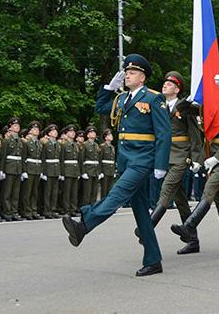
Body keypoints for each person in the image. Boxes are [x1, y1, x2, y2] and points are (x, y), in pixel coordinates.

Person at [62, 53, 171, 276]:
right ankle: (153, 260)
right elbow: (100, 106)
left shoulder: (153, 98)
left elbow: (164, 133)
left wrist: (160, 164)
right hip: (125, 159)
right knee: (141, 213)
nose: (127, 76)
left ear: (142, 77)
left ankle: (85, 224)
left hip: (143, 160)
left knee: (116, 195)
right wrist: (108, 88)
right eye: (126, 72)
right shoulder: (121, 99)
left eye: (132, 73)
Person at [170, 71, 219, 259]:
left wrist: (217, 159)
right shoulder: (207, 106)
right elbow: (183, 109)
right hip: (208, 155)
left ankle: (189, 226)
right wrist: (193, 94)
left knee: (208, 191)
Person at [134, 71, 202, 255]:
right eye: (164, 83)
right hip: (164, 155)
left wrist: (196, 157)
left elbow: (195, 133)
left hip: (181, 155)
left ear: (177, 88)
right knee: (180, 200)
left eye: (170, 84)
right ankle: (193, 240)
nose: (165, 85)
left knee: (166, 191)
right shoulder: (159, 105)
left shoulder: (185, 107)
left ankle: (147, 227)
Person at [0, 117, 23, 221]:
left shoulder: (20, 141)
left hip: (18, 168)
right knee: (7, 192)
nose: (17, 127)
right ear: (10, 127)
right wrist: (2, 170)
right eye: (14, 125)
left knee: (16, 192)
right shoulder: (7, 140)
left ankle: (14, 211)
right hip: (9, 167)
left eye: (18, 125)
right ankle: (7, 212)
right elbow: (3, 156)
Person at [21, 121, 45, 220]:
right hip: (29, 168)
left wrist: (41, 170)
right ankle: (26, 211)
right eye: (34, 129)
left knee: (35, 192)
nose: (36, 131)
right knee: (27, 192)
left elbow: (41, 158)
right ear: (30, 131)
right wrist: (24, 171)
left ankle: (33, 210)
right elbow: (23, 157)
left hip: (37, 169)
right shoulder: (26, 142)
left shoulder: (39, 143)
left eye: (37, 129)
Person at [59, 125, 81, 217]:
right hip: (67, 170)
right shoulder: (63, 144)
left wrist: (79, 171)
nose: (72, 133)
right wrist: (62, 172)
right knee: (67, 191)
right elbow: (61, 159)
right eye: (70, 132)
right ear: (66, 133)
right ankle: (66, 209)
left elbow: (78, 160)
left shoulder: (75, 145)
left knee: (74, 191)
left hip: (75, 170)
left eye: (73, 132)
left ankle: (73, 208)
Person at [40, 124, 62, 219]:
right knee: (48, 192)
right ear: (48, 133)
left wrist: (60, 172)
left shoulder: (58, 144)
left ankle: (53, 209)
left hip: (56, 170)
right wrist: (43, 172)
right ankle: (47, 210)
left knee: (54, 192)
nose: (55, 132)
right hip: (48, 169)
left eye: (56, 131)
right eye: (53, 131)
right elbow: (43, 158)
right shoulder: (45, 144)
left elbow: (59, 159)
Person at [81, 126, 102, 207]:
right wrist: (83, 172)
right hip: (88, 170)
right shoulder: (85, 145)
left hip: (96, 170)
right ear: (87, 135)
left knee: (94, 191)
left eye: (94, 132)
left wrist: (99, 172)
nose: (93, 134)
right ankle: (86, 208)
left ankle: (93, 206)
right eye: (91, 132)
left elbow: (99, 160)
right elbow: (81, 159)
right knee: (87, 192)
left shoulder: (97, 145)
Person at [99, 129, 116, 198]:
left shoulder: (112, 147)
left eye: (111, 134)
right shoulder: (102, 146)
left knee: (110, 189)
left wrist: (114, 170)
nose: (111, 136)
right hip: (105, 170)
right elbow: (100, 159)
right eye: (109, 135)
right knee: (104, 189)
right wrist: (100, 171)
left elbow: (113, 160)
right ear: (105, 137)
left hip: (111, 170)